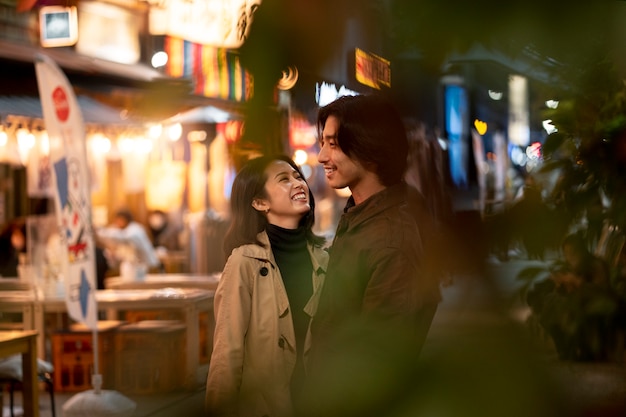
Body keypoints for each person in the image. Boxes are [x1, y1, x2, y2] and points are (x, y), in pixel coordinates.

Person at [297, 94, 443, 417]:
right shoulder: (361, 216)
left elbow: (380, 358)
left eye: (333, 144)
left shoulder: (391, 238)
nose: (321, 156)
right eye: (323, 143)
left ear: (370, 150)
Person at [205, 155, 328, 417]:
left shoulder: (324, 258)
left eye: (298, 176)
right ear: (260, 202)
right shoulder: (244, 262)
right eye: (284, 179)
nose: (298, 183)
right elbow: (227, 353)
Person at [97, 208, 161, 274]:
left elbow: (123, 237)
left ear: (123, 219)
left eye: (117, 220)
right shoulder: (127, 230)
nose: (116, 223)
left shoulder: (135, 229)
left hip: (149, 267)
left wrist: (100, 232)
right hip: (140, 267)